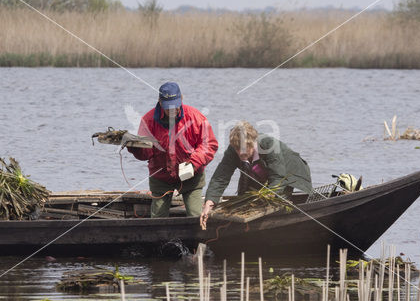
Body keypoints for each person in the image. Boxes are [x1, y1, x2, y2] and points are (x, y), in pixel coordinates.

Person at [127, 82, 218, 217]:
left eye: (175, 105)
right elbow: (146, 153)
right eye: (168, 106)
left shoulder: (195, 117)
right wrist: (135, 148)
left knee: (195, 215)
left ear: (181, 99)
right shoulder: (148, 120)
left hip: (191, 176)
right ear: (160, 102)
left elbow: (209, 145)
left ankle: (197, 237)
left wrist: (193, 164)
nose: (172, 109)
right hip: (161, 177)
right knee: (157, 218)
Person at [200, 120, 313, 229]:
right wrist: (209, 203)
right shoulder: (233, 149)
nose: (240, 153)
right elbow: (221, 177)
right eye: (237, 149)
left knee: (277, 201)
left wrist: (269, 194)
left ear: (252, 143)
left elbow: (278, 177)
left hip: (290, 173)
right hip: (261, 172)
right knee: (246, 201)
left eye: (244, 149)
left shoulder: (269, 144)